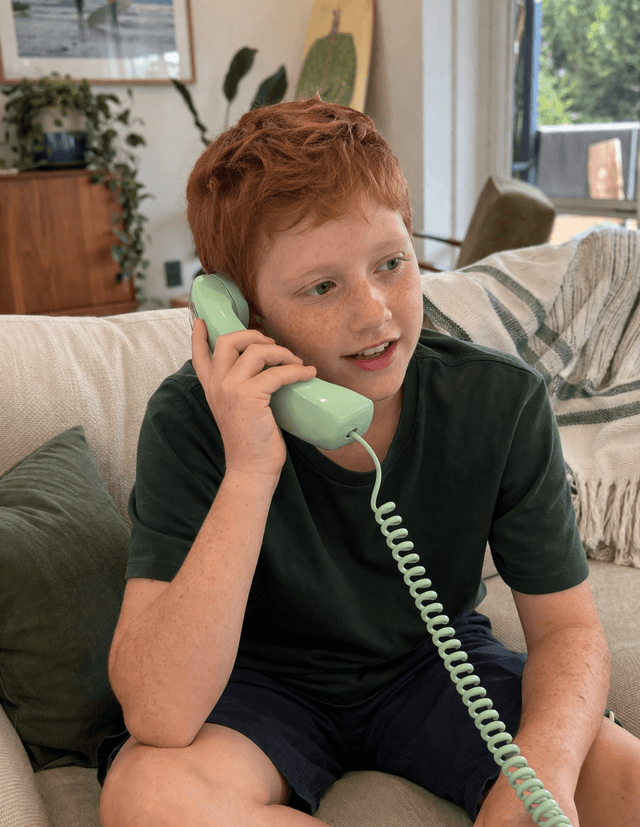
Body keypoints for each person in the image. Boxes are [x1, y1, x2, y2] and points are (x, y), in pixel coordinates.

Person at [97, 97, 640, 827]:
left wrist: (537, 778)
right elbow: (158, 711)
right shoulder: (189, 419)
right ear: (243, 314)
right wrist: (251, 467)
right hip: (258, 683)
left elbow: (570, 631)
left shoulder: (499, 400)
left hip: (432, 663)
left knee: (622, 776)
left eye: (391, 263)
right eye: (323, 287)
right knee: (146, 798)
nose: (375, 311)